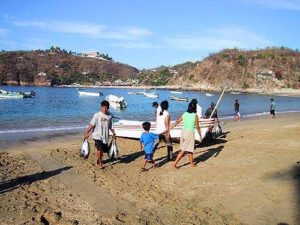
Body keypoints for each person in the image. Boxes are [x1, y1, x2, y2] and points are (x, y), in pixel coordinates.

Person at [84, 100, 116, 169]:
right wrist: (87, 132)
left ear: (108, 108)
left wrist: (113, 133)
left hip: (105, 136)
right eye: (103, 108)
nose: (105, 109)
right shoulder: (97, 115)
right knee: (99, 149)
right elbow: (92, 124)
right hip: (97, 135)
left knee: (103, 151)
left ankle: (99, 160)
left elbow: (111, 126)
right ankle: (100, 163)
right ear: (101, 107)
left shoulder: (110, 116)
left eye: (106, 108)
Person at [169, 102, 202, 169]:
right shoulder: (195, 115)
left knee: (190, 149)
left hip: (183, 132)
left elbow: (177, 121)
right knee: (183, 150)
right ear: (195, 108)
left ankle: (191, 163)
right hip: (190, 133)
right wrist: (200, 135)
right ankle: (174, 164)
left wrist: (170, 127)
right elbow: (197, 126)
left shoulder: (185, 114)